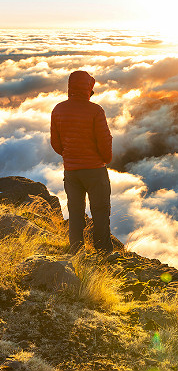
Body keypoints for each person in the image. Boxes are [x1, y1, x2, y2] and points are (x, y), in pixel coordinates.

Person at [50, 70, 113, 254]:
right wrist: (105, 159)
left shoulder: (58, 109)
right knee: (100, 211)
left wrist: (69, 156)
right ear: (88, 88)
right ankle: (103, 253)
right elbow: (104, 141)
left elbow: (56, 143)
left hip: (71, 171)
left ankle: (76, 251)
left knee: (75, 212)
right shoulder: (95, 110)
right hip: (95, 171)